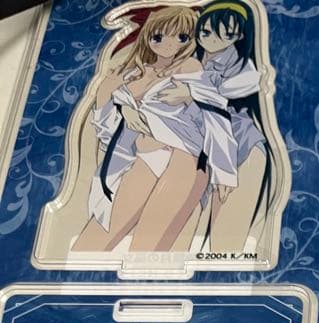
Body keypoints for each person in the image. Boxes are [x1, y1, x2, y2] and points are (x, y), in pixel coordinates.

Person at [71, 5, 238, 254]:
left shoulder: (189, 67)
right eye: (159, 36)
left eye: (181, 37)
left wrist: (224, 172)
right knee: (91, 244)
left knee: (147, 250)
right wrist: (117, 104)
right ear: (148, 36)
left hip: (184, 160)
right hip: (143, 159)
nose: (169, 44)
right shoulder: (132, 75)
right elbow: (106, 131)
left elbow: (216, 116)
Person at [157, 0, 280, 251]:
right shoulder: (191, 57)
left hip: (239, 144)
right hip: (200, 145)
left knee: (225, 235)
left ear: (240, 36)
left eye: (226, 34)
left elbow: (221, 101)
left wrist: (191, 95)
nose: (212, 40)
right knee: (194, 228)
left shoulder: (244, 69)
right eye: (206, 32)